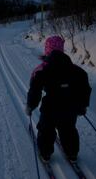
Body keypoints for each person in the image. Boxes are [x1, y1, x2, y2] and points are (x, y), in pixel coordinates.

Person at [26, 35, 91, 163]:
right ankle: (72, 154)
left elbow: (35, 89)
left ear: (47, 50)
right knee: (68, 129)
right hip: (70, 106)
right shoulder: (76, 70)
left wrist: (30, 105)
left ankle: (45, 154)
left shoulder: (41, 70)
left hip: (50, 107)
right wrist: (82, 106)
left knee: (46, 129)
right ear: (61, 49)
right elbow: (84, 87)